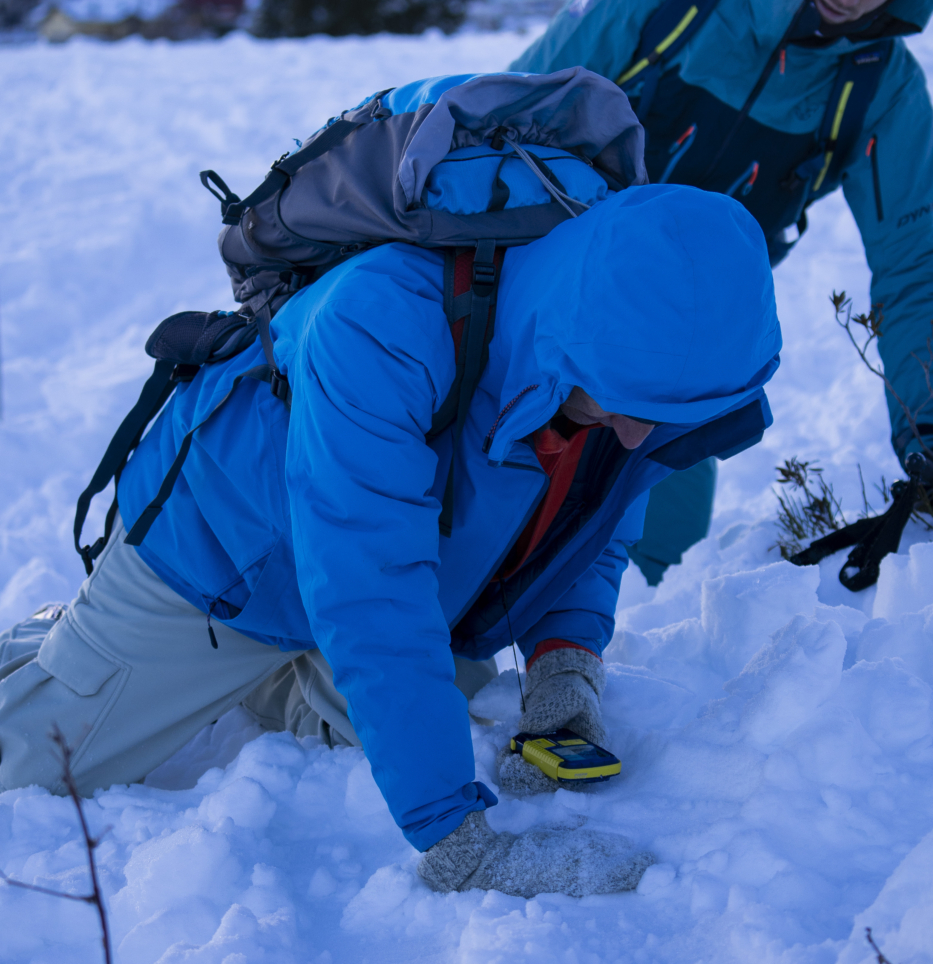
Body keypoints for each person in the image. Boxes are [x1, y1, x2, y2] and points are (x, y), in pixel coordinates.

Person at [0, 183, 780, 897]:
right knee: (33, 768)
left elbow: (590, 526)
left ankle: (276, 677)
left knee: (452, 727)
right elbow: (370, 584)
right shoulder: (382, 323)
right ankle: (77, 644)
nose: (640, 431)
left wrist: (564, 665)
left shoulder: (617, 376)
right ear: (571, 337)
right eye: (627, 403)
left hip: (372, 577)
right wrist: (456, 839)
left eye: (663, 415)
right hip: (218, 561)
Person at [512, 0, 933, 584]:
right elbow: (512, 120)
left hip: (691, 343)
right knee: (477, 500)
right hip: (552, 292)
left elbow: (912, 262)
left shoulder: (882, 85)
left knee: (657, 560)